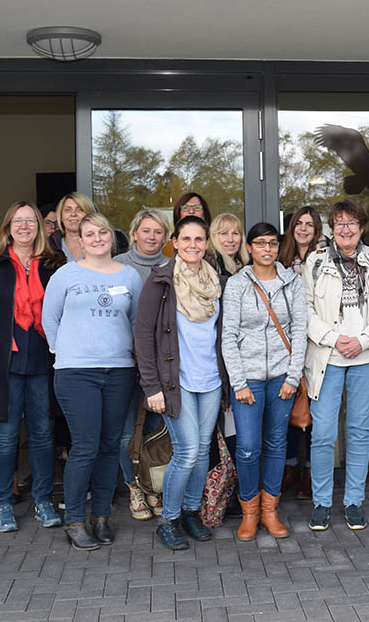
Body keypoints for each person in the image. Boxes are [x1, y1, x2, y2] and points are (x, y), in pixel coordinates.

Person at [42, 213, 143, 551]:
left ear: (111, 238)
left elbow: (135, 321)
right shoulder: (65, 275)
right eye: (90, 233)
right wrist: (65, 351)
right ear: (80, 240)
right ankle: (74, 520)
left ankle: (100, 517)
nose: (97, 237)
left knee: (110, 444)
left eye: (103, 232)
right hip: (76, 372)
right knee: (85, 445)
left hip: (119, 370)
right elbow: (49, 319)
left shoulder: (129, 276)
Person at [0, 202, 65, 534]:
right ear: (7, 227)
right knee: (6, 436)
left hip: (42, 360)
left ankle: (43, 500)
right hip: (2, 363)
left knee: (42, 434)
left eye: (30, 221)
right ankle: (4, 505)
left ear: (40, 226)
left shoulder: (55, 265)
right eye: (18, 221)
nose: (24, 227)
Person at [304, 200, 369, 533]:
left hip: (366, 358)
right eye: (339, 223)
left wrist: (365, 339)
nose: (346, 229)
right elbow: (306, 311)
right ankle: (321, 503)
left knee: (359, 432)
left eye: (352, 223)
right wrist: (332, 337)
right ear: (332, 228)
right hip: (328, 358)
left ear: (362, 227)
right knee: (324, 433)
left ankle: (353, 501)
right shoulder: (314, 263)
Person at [135, 216, 227, 551]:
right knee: (187, 452)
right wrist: (151, 387)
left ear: (207, 243)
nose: (192, 245)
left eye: (199, 239)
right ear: (174, 241)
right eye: (185, 239)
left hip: (211, 379)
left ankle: (191, 512)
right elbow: (143, 337)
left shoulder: (215, 281)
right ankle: (169, 519)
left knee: (203, 452)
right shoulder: (160, 281)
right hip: (177, 382)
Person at [221, 223, 307, 541]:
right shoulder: (237, 284)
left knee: (276, 445)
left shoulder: (292, 282)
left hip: (282, 378)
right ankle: (249, 514)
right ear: (250, 247)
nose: (267, 249)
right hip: (248, 379)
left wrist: (293, 376)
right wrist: (239, 382)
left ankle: (270, 512)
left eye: (272, 243)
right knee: (246, 448)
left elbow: (299, 331)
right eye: (260, 243)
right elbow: (228, 336)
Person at [114, 207, 170, 520]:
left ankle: (152, 487)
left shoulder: (173, 266)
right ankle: (133, 486)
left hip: (161, 365)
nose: (151, 237)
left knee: (154, 430)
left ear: (166, 237)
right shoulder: (117, 266)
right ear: (134, 233)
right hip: (123, 361)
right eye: (146, 230)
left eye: (158, 232)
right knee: (126, 432)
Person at [279, 206, 324, 500]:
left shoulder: (325, 260)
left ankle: (309, 472)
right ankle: (290, 467)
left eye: (310, 224)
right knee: (289, 411)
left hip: (318, 344)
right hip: (285, 345)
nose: (304, 229)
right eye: (299, 223)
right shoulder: (280, 260)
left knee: (314, 413)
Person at [49, 192, 96, 262]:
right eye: (68, 210)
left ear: (90, 215)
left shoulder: (101, 244)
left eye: (80, 209)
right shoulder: (49, 247)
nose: (73, 214)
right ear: (61, 216)